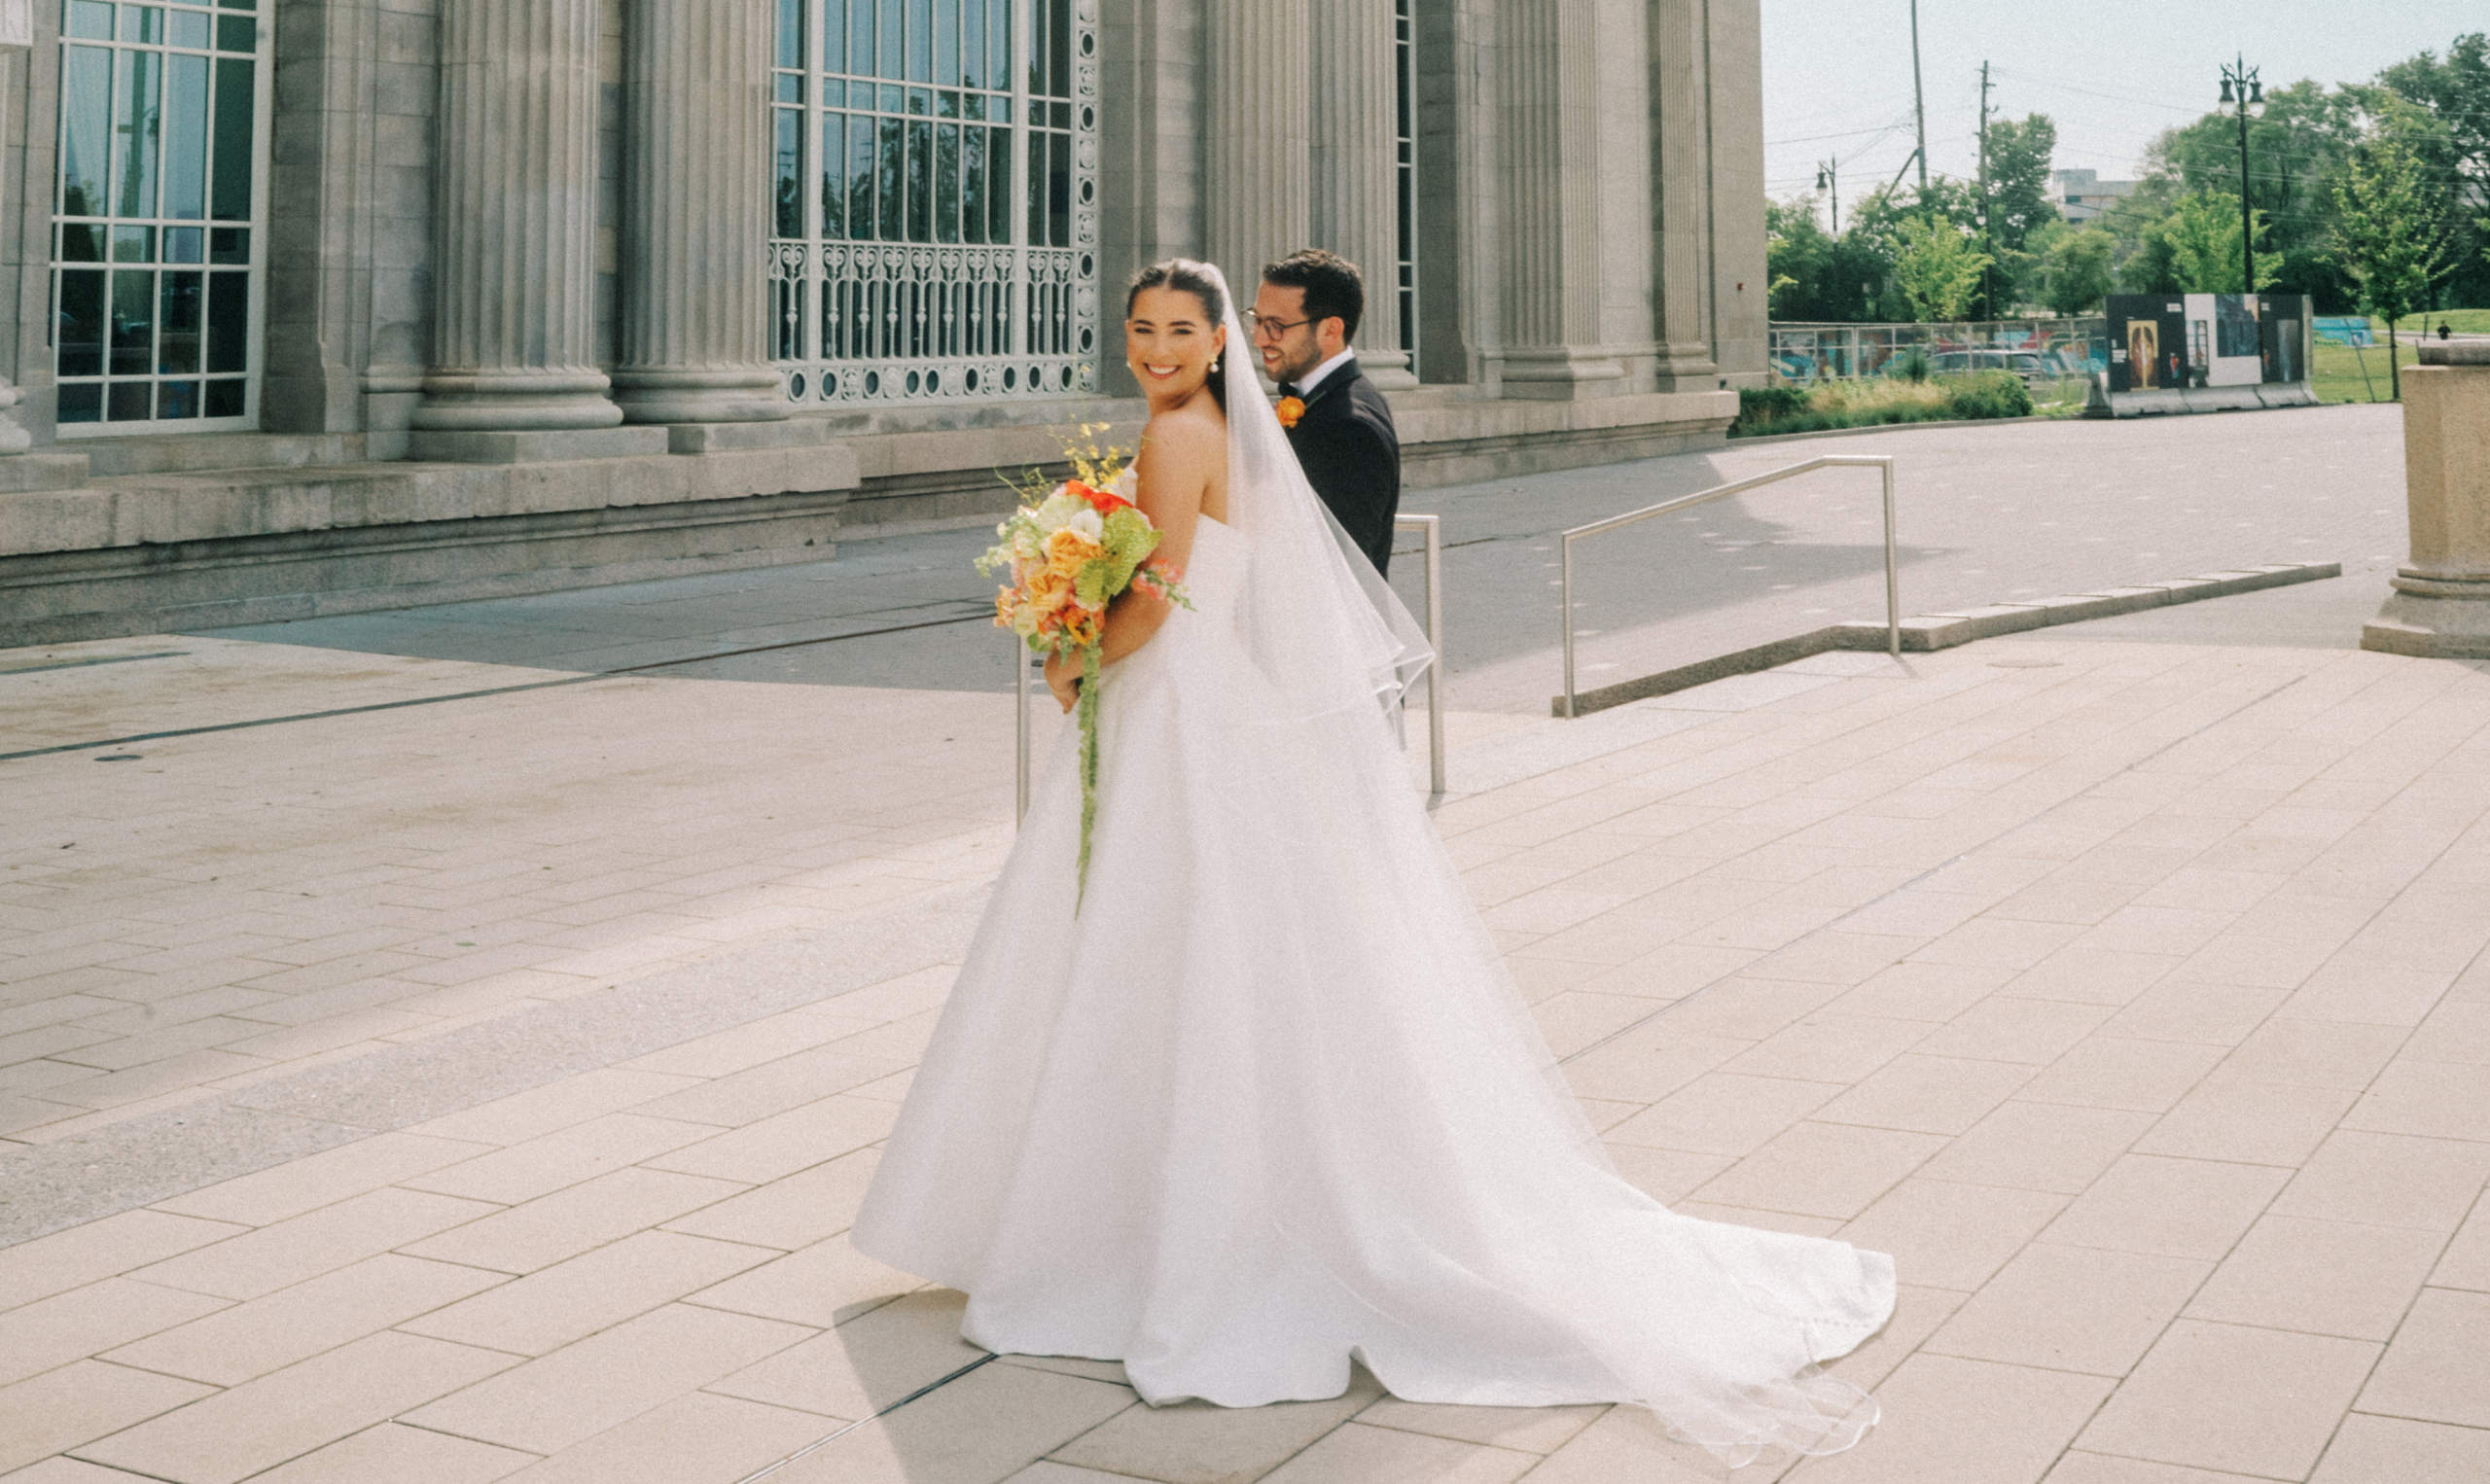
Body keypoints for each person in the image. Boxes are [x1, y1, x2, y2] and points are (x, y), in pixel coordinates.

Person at [851, 259, 1894, 1466]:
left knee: (1151, 931)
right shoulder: (1228, 426)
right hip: (1213, 696)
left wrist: (1075, 641)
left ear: (1217, 338)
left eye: (1178, 329)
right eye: (1139, 328)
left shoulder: (1176, 433)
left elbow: (1166, 586)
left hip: (1178, 692)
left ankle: (1131, 1222)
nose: (1152, 347)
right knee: (1203, 934)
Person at [1253, 249, 1403, 576]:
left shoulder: (1349, 428)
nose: (1259, 338)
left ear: (1331, 330)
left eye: (1276, 326)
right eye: (1257, 319)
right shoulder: (1335, 399)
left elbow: (1341, 570)